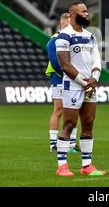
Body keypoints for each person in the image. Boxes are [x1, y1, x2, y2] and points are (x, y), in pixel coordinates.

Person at [55, 1, 105, 176]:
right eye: (84, 12)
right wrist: (86, 83)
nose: (87, 14)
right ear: (74, 14)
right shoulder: (64, 36)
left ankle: (87, 165)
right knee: (69, 124)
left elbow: (97, 60)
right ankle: (62, 165)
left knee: (88, 124)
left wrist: (95, 78)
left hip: (89, 85)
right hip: (73, 85)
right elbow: (64, 64)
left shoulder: (90, 36)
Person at [46, 13, 79, 154]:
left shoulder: (72, 38)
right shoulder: (53, 40)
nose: (68, 27)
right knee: (59, 110)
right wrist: (68, 75)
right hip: (59, 77)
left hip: (72, 77)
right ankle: (53, 144)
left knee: (73, 109)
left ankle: (71, 144)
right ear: (62, 24)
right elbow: (55, 62)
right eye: (66, 24)